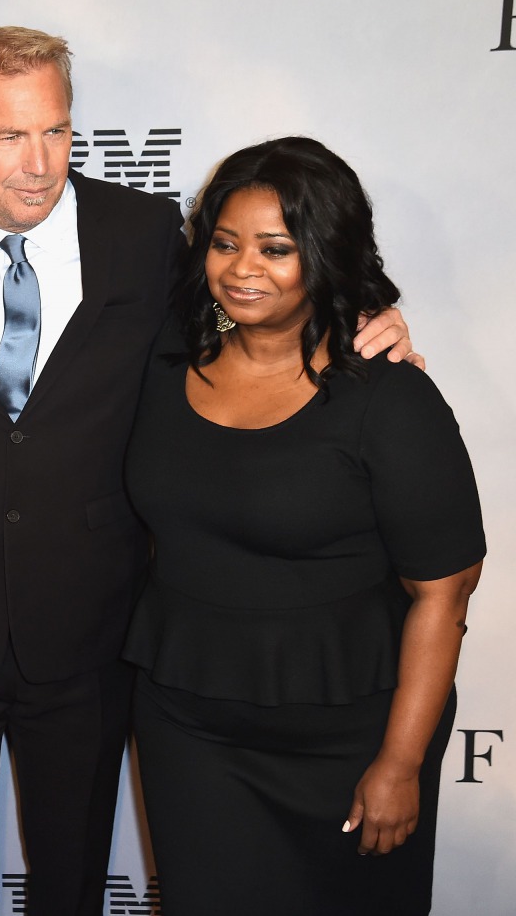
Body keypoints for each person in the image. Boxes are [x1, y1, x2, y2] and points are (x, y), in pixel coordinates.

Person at [0, 27, 418, 916]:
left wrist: (372, 316)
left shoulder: (146, 231)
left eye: (58, 132)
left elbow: (266, 289)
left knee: (74, 872)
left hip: (92, 624)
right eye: (9, 137)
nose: (41, 164)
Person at [122, 137, 485, 916]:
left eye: (275, 248)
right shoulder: (165, 356)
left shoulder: (388, 398)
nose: (242, 267)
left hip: (347, 740)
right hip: (189, 726)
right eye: (224, 243)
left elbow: (443, 595)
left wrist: (400, 761)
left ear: (324, 251)